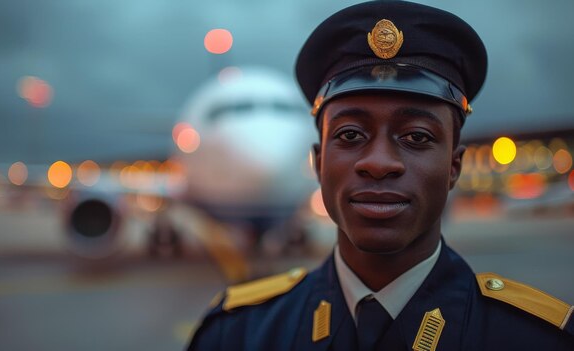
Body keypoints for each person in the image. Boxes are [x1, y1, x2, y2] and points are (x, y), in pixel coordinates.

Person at [187, 1, 574, 350]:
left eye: (417, 137)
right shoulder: (234, 335)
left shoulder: (542, 339)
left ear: (454, 166)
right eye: (350, 135)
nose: (379, 162)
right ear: (319, 162)